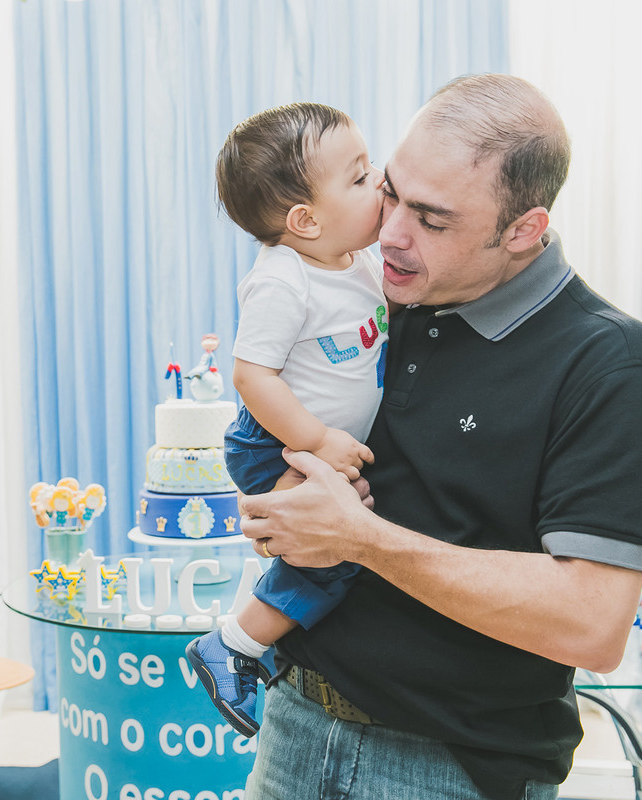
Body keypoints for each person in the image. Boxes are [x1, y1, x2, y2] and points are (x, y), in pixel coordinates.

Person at [237, 74, 642, 800]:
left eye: (433, 220)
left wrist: (361, 538)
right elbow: (269, 435)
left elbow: (593, 626)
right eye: (391, 192)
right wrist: (284, 500)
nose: (391, 233)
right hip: (294, 726)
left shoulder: (604, 358)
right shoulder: (369, 289)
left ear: (523, 230)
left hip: (453, 767)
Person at [185, 102, 390, 737]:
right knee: (333, 554)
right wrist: (316, 440)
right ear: (305, 220)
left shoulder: (358, 261)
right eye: (360, 178)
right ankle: (234, 645)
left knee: (336, 547)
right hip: (274, 441)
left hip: (311, 443)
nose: (381, 180)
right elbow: (251, 377)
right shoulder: (283, 280)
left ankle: (256, 642)